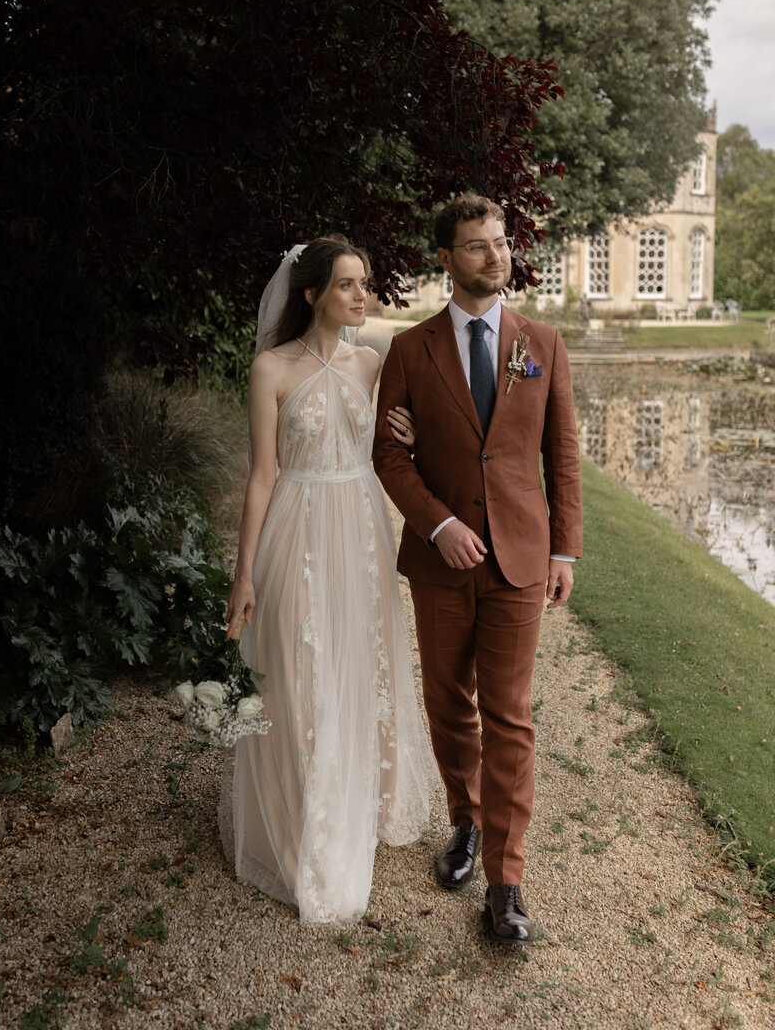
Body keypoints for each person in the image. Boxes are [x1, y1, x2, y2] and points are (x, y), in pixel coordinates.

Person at [373, 193, 582, 946]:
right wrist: (439, 524)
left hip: (521, 560)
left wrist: (563, 550)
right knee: (446, 702)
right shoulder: (409, 350)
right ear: (446, 258)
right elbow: (388, 455)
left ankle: (506, 879)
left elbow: (560, 455)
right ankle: (463, 822)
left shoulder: (541, 344)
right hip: (443, 561)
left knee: (510, 716)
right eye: (477, 246)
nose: (496, 257)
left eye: (501, 243)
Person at [219, 236, 435, 924]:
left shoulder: (371, 362)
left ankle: (362, 801)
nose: (360, 295)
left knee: (357, 663)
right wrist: (243, 573)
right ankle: (305, 824)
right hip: (298, 528)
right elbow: (261, 477)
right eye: (346, 285)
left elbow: (391, 444)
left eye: (363, 284)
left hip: (361, 527)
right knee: (301, 671)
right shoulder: (270, 370)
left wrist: (408, 435)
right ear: (310, 293)